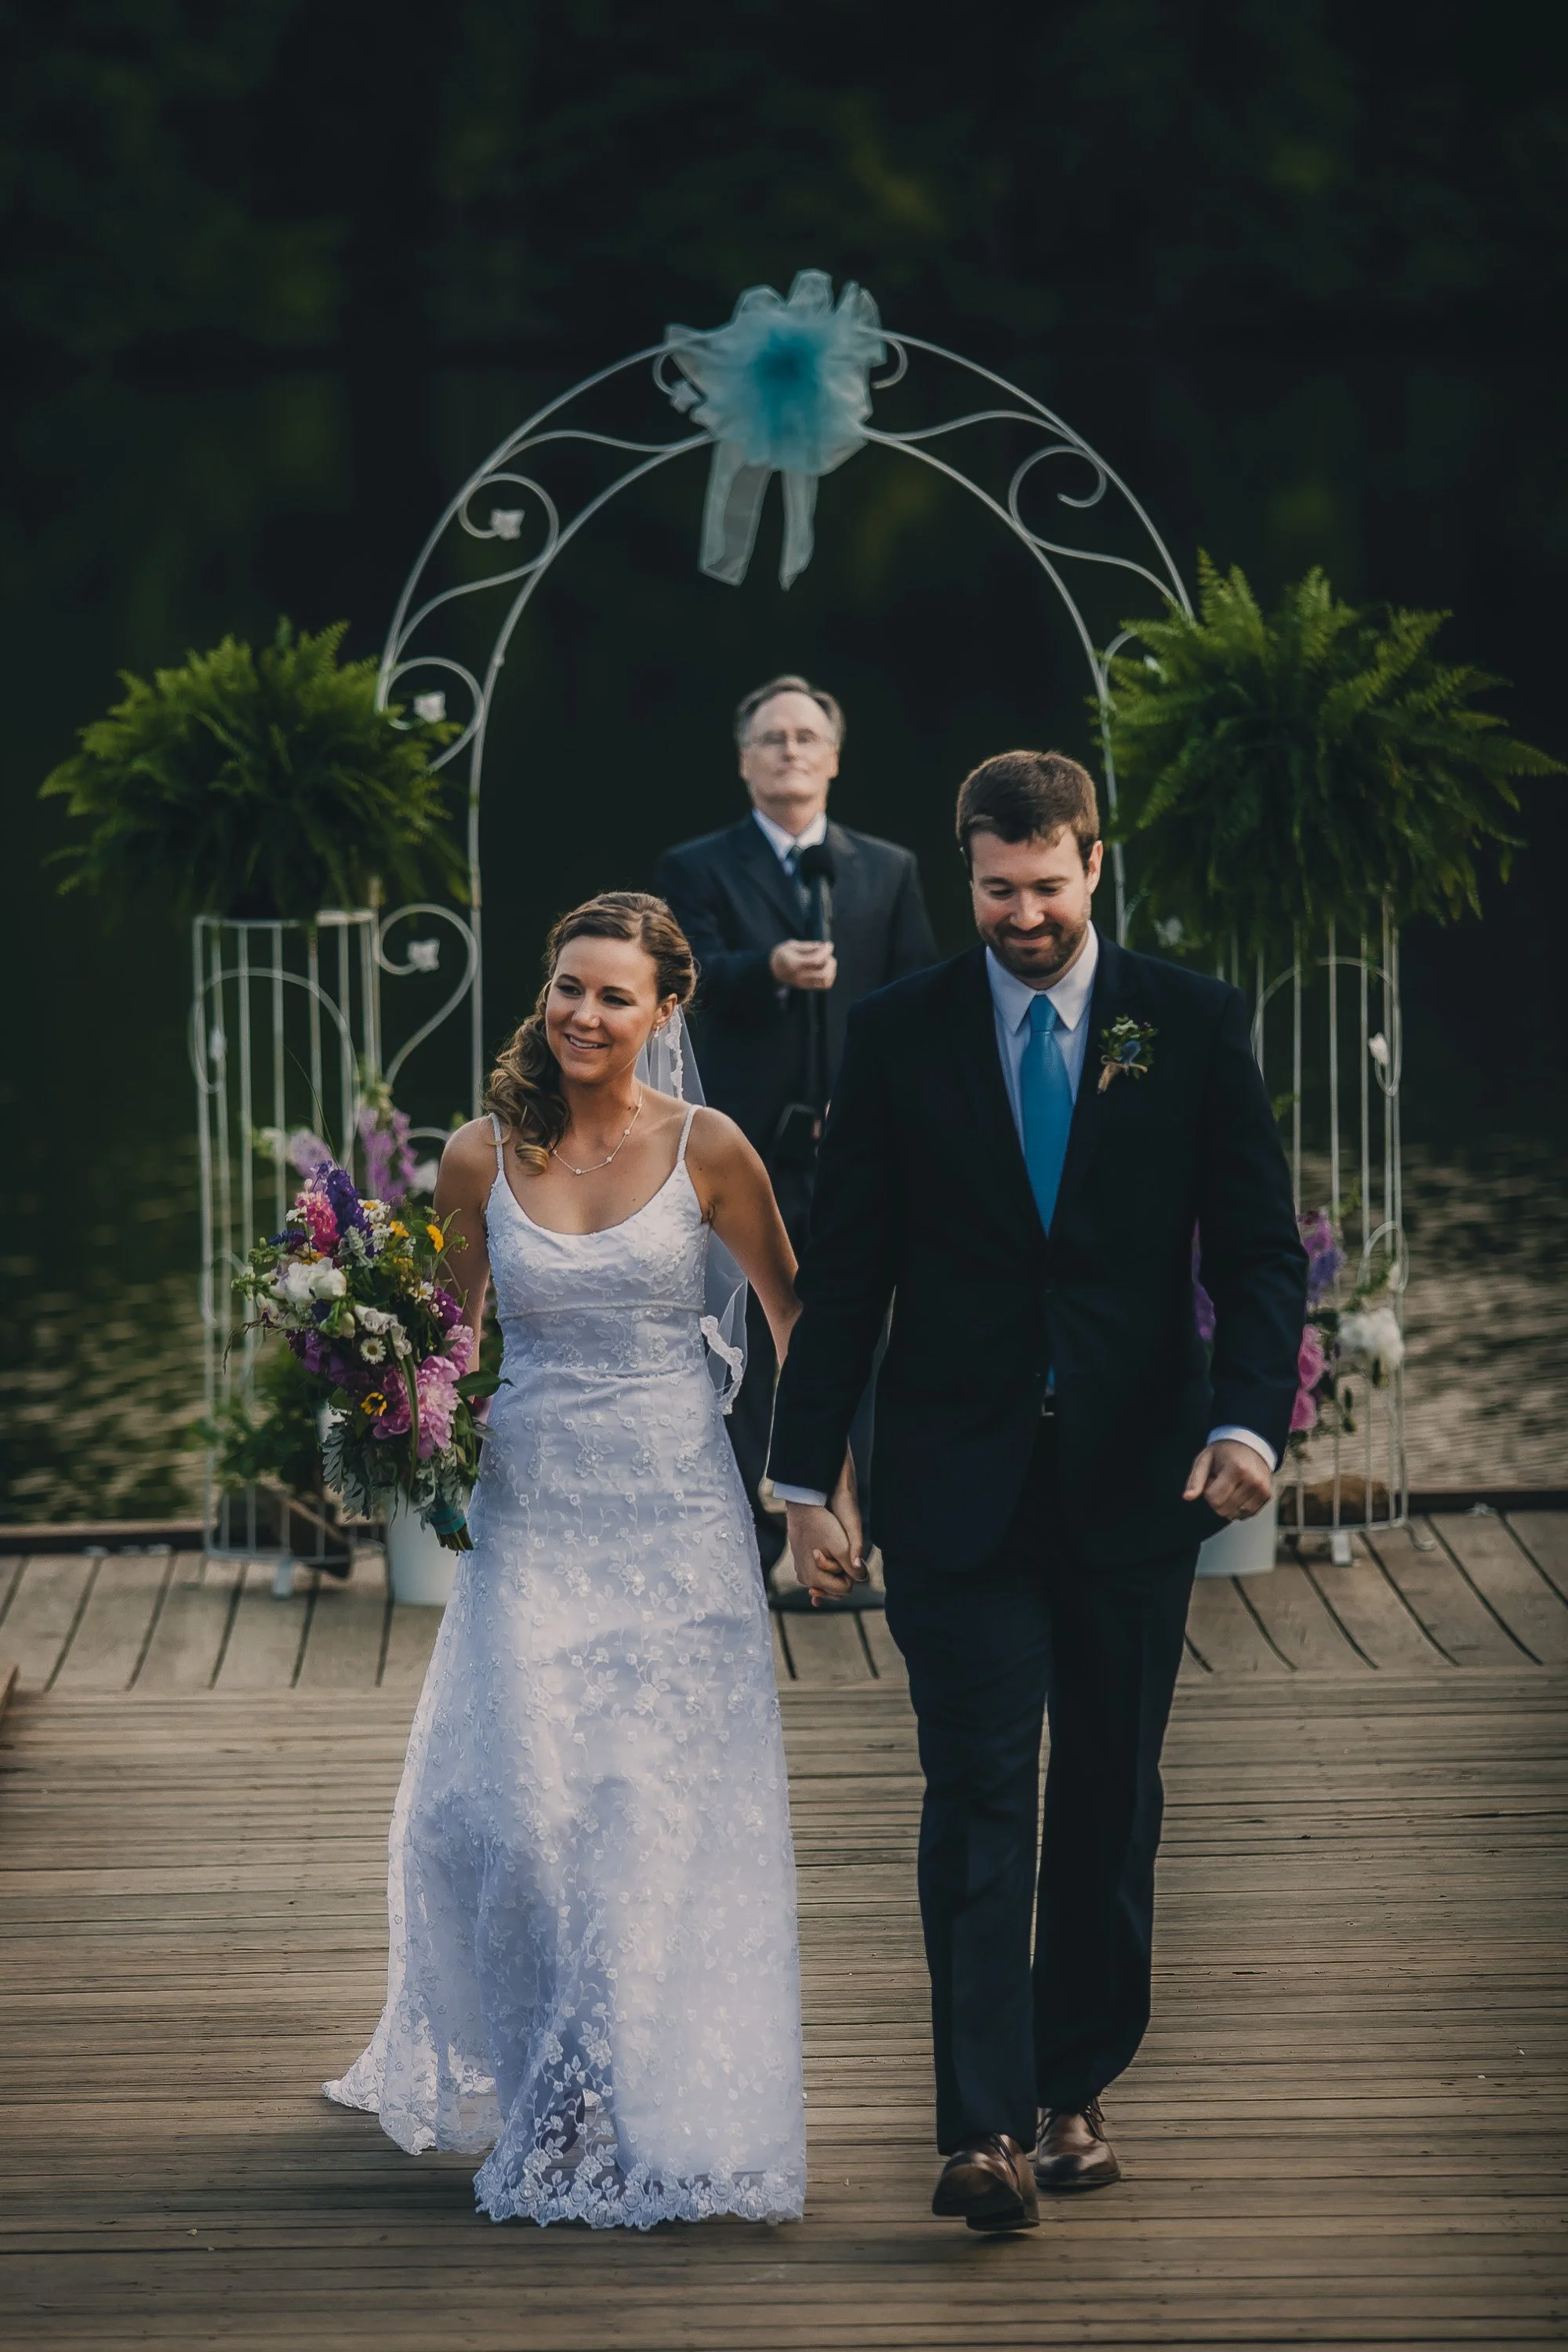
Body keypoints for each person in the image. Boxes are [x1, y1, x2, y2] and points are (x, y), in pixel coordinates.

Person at [767, 751, 1307, 2232]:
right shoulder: (897, 1034)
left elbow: (1259, 1254)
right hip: (958, 1486)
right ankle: (983, 2131)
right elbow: (848, 1273)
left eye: (1048, 888)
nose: (1023, 915)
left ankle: (1076, 2091)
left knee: (1112, 1804)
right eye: (997, 891)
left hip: (1140, 1481)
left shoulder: (1185, 1021)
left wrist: (1253, 1423)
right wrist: (809, 1479)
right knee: (982, 1791)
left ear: (1095, 864)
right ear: (966, 873)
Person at [325, 892, 857, 2228]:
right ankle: (550, 2074)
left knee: (644, 1818)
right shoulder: (475, 1157)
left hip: (677, 1522)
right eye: (568, 987)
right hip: (533, 1521)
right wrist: (376, 1398)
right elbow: (446, 1342)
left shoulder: (713, 1150)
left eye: (614, 995)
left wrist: (812, 1500)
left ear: (668, 1009)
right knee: (519, 1812)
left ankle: (613, 2094)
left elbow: (798, 1325)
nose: (582, 1013)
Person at [655, 674, 937, 1570]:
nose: (788, 750)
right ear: (744, 763)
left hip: (849, 1147)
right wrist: (766, 966)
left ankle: (856, 1536)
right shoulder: (694, 867)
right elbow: (680, 980)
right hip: (738, 1150)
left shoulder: (885, 869)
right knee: (737, 1338)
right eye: (771, 738)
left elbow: (916, 999)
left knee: (854, 1333)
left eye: (805, 737)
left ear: (834, 759)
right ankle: (755, 1536)